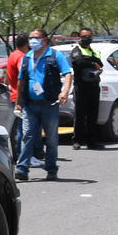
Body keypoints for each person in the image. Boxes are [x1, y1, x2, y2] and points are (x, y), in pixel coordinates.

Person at [14, 29, 73, 181]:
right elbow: (21, 81)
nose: (32, 41)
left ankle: (51, 169)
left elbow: (67, 73)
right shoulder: (27, 57)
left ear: (45, 40)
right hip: (30, 105)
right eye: (31, 38)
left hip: (50, 105)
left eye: (36, 38)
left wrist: (65, 92)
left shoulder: (54, 55)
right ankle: (22, 169)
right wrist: (18, 103)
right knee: (27, 136)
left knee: (51, 139)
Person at [70, 28, 105, 150]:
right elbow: (78, 63)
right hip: (81, 86)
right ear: (80, 37)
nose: (87, 38)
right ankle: (77, 140)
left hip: (94, 86)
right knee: (80, 114)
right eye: (84, 36)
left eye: (89, 36)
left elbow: (100, 63)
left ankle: (92, 141)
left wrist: (91, 62)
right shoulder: (76, 50)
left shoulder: (95, 51)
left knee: (92, 114)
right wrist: (92, 63)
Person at [5, 33, 30, 158]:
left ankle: (20, 155)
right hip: (21, 97)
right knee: (23, 129)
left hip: (14, 95)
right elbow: (23, 74)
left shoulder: (13, 55)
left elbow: (6, 77)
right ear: (27, 44)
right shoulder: (21, 56)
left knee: (19, 128)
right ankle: (22, 156)